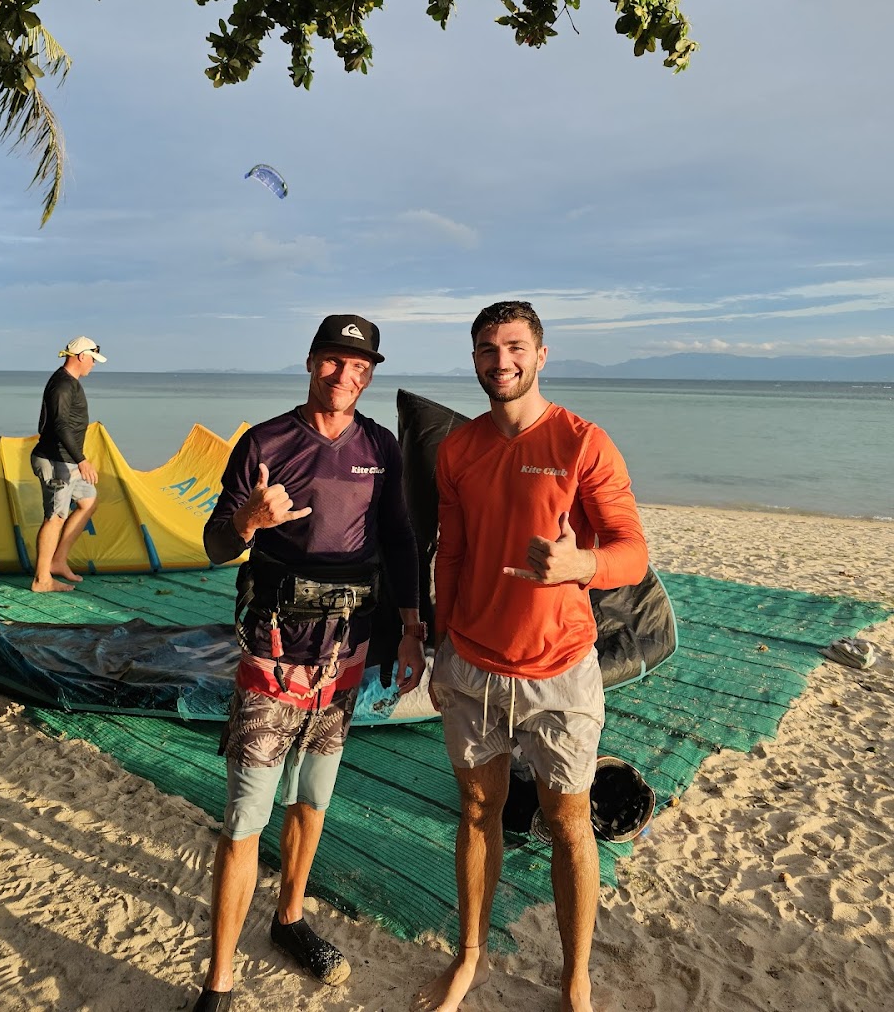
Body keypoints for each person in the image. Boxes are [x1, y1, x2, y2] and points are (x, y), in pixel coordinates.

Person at [413, 301, 648, 1012]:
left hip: (559, 673)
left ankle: (574, 976)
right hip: (473, 666)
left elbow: (633, 553)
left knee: (569, 822)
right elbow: (450, 549)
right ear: (475, 359)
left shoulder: (584, 443)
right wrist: (441, 639)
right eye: (487, 348)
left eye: (515, 346)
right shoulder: (458, 448)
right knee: (477, 809)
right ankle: (470, 955)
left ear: (542, 354)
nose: (500, 361)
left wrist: (582, 564)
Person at [193, 314, 425, 1012]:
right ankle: (220, 981)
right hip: (271, 657)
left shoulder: (379, 446)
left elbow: (402, 540)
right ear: (310, 362)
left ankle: (290, 915)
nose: (345, 375)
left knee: (313, 798)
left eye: (360, 366)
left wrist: (413, 626)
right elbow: (211, 542)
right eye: (333, 361)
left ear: (370, 374)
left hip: (343, 661)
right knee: (243, 818)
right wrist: (249, 522)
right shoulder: (265, 440)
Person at [29, 336, 106, 593]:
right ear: (81, 356)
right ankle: (42, 579)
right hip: (56, 461)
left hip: (68, 460)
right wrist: (82, 460)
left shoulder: (71, 383)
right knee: (55, 517)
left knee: (88, 502)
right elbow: (59, 425)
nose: (94, 365)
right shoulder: (62, 385)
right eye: (93, 359)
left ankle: (58, 561)